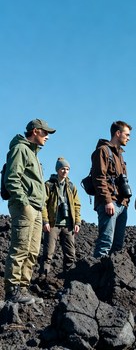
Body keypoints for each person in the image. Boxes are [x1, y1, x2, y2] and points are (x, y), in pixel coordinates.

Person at [3, 118, 56, 304]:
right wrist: (24, 203)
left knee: (32, 251)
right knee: (20, 248)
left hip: (36, 208)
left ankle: (23, 288)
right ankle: (12, 290)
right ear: (35, 131)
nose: (47, 136)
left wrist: (40, 210)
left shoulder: (34, 154)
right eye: (45, 132)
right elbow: (12, 178)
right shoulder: (21, 149)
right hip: (24, 207)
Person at [92, 120, 133, 258]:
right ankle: (96, 277)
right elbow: (98, 178)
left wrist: (125, 204)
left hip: (121, 204)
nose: (129, 138)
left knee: (117, 246)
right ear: (117, 133)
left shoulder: (120, 156)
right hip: (109, 204)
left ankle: (111, 278)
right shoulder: (102, 151)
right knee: (105, 243)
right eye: (126, 134)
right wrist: (108, 201)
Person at [40, 157, 81, 277]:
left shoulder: (71, 187)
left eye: (67, 169)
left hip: (68, 225)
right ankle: (43, 277)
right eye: (63, 169)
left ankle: (68, 279)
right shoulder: (49, 185)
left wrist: (77, 223)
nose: (65, 171)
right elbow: (43, 204)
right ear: (58, 170)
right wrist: (45, 221)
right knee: (48, 253)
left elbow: (77, 205)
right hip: (53, 224)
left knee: (70, 253)